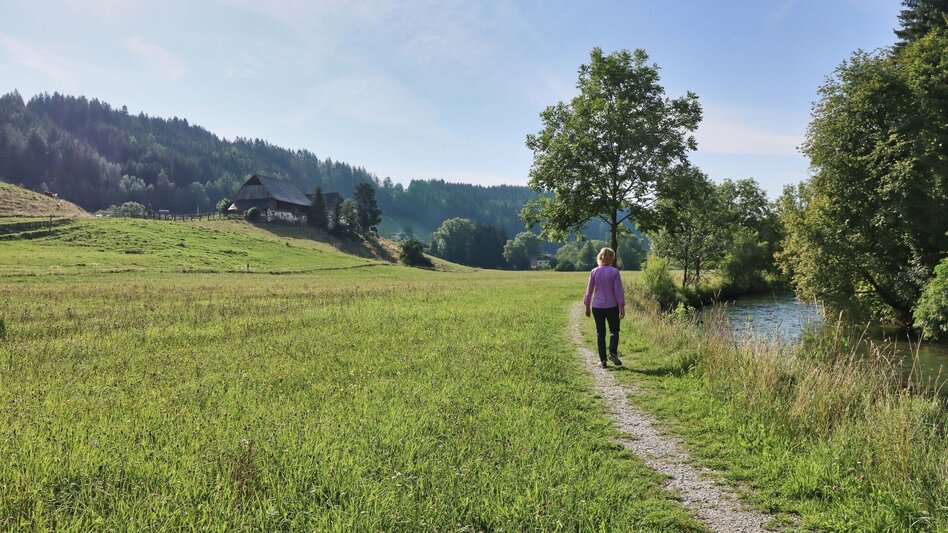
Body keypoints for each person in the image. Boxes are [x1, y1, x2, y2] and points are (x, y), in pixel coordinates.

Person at [583, 247, 625, 368]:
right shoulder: (615, 272)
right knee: (614, 331)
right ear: (612, 258)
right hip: (612, 306)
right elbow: (618, 291)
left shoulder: (594, 271)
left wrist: (587, 306)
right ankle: (612, 352)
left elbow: (589, 290)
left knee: (600, 333)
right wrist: (621, 306)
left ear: (600, 257)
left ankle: (603, 361)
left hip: (597, 306)